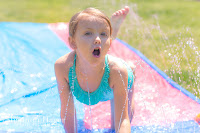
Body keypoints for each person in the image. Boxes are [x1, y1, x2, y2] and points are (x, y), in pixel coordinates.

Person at [54, 6, 135, 133]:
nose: (97, 39)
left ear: (109, 41)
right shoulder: (63, 67)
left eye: (103, 34)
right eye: (88, 33)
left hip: (115, 82)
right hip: (106, 76)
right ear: (73, 42)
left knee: (116, 125)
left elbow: (123, 120)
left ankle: (130, 65)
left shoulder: (118, 72)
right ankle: (110, 30)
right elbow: (67, 112)